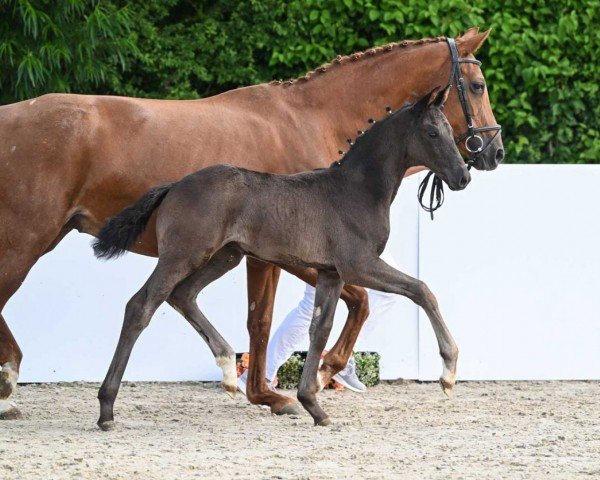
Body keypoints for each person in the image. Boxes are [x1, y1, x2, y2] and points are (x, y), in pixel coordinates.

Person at [238, 248, 400, 394]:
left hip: (350, 231)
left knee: (390, 287)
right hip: (331, 232)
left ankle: (343, 354)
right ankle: (262, 374)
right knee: (311, 307)